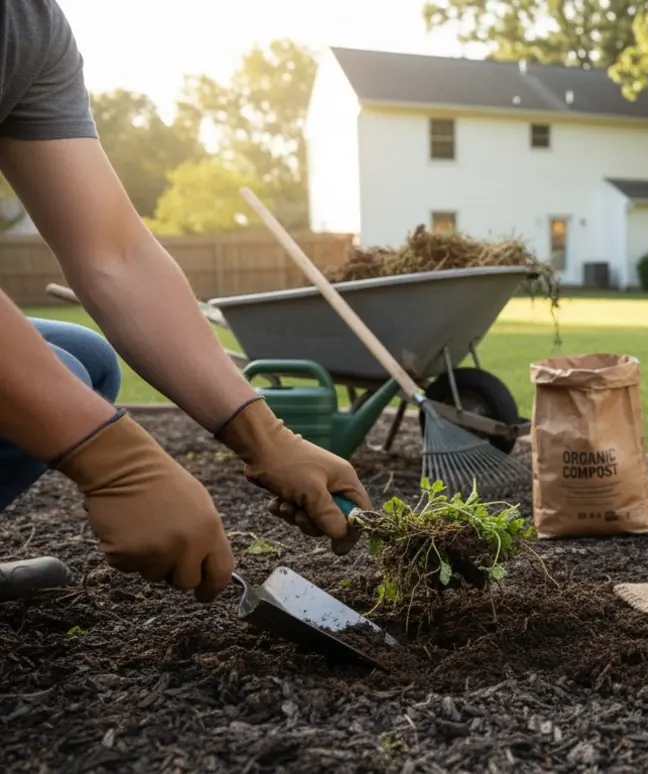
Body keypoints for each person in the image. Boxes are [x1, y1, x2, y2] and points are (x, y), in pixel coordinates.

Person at [0, 0, 372, 603]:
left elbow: (114, 253)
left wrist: (266, 437)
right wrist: (113, 459)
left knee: (85, 360)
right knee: (62, 377)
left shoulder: (29, 27)